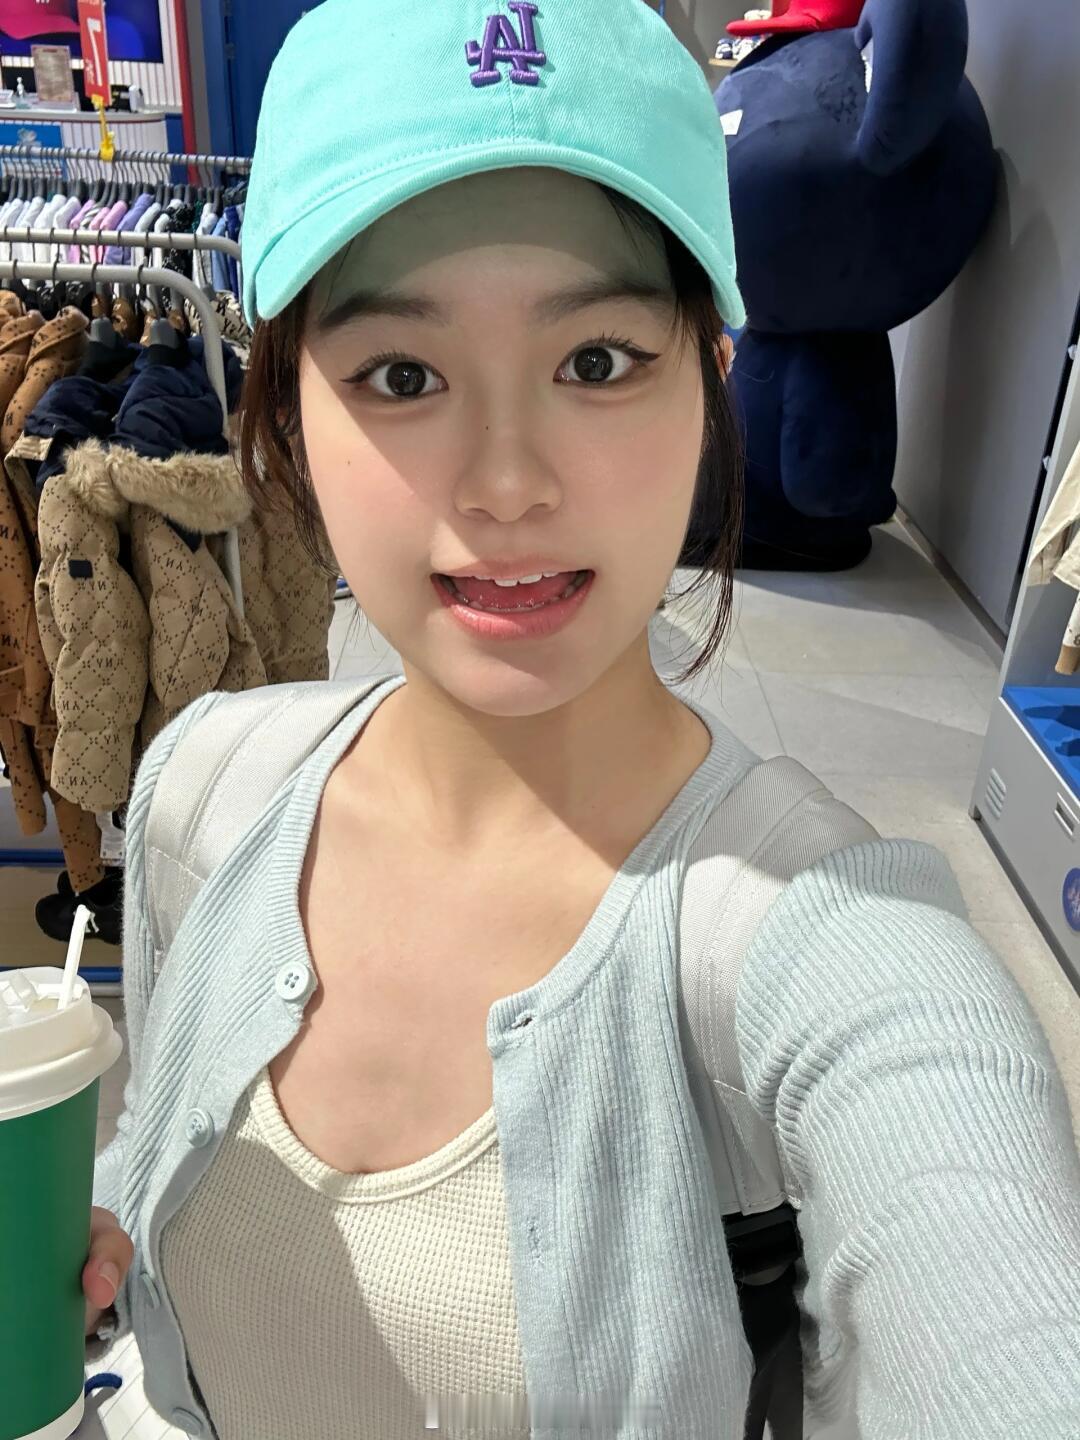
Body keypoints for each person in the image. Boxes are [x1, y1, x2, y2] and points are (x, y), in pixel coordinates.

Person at [81, 1, 1080, 1437]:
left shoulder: (821, 942)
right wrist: (102, 1239)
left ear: (712, 383)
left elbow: (994, 1298)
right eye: (402, 376)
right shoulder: (203, 791)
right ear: (290, 411)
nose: (507, 485)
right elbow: (158, 1163)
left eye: (598, 361)